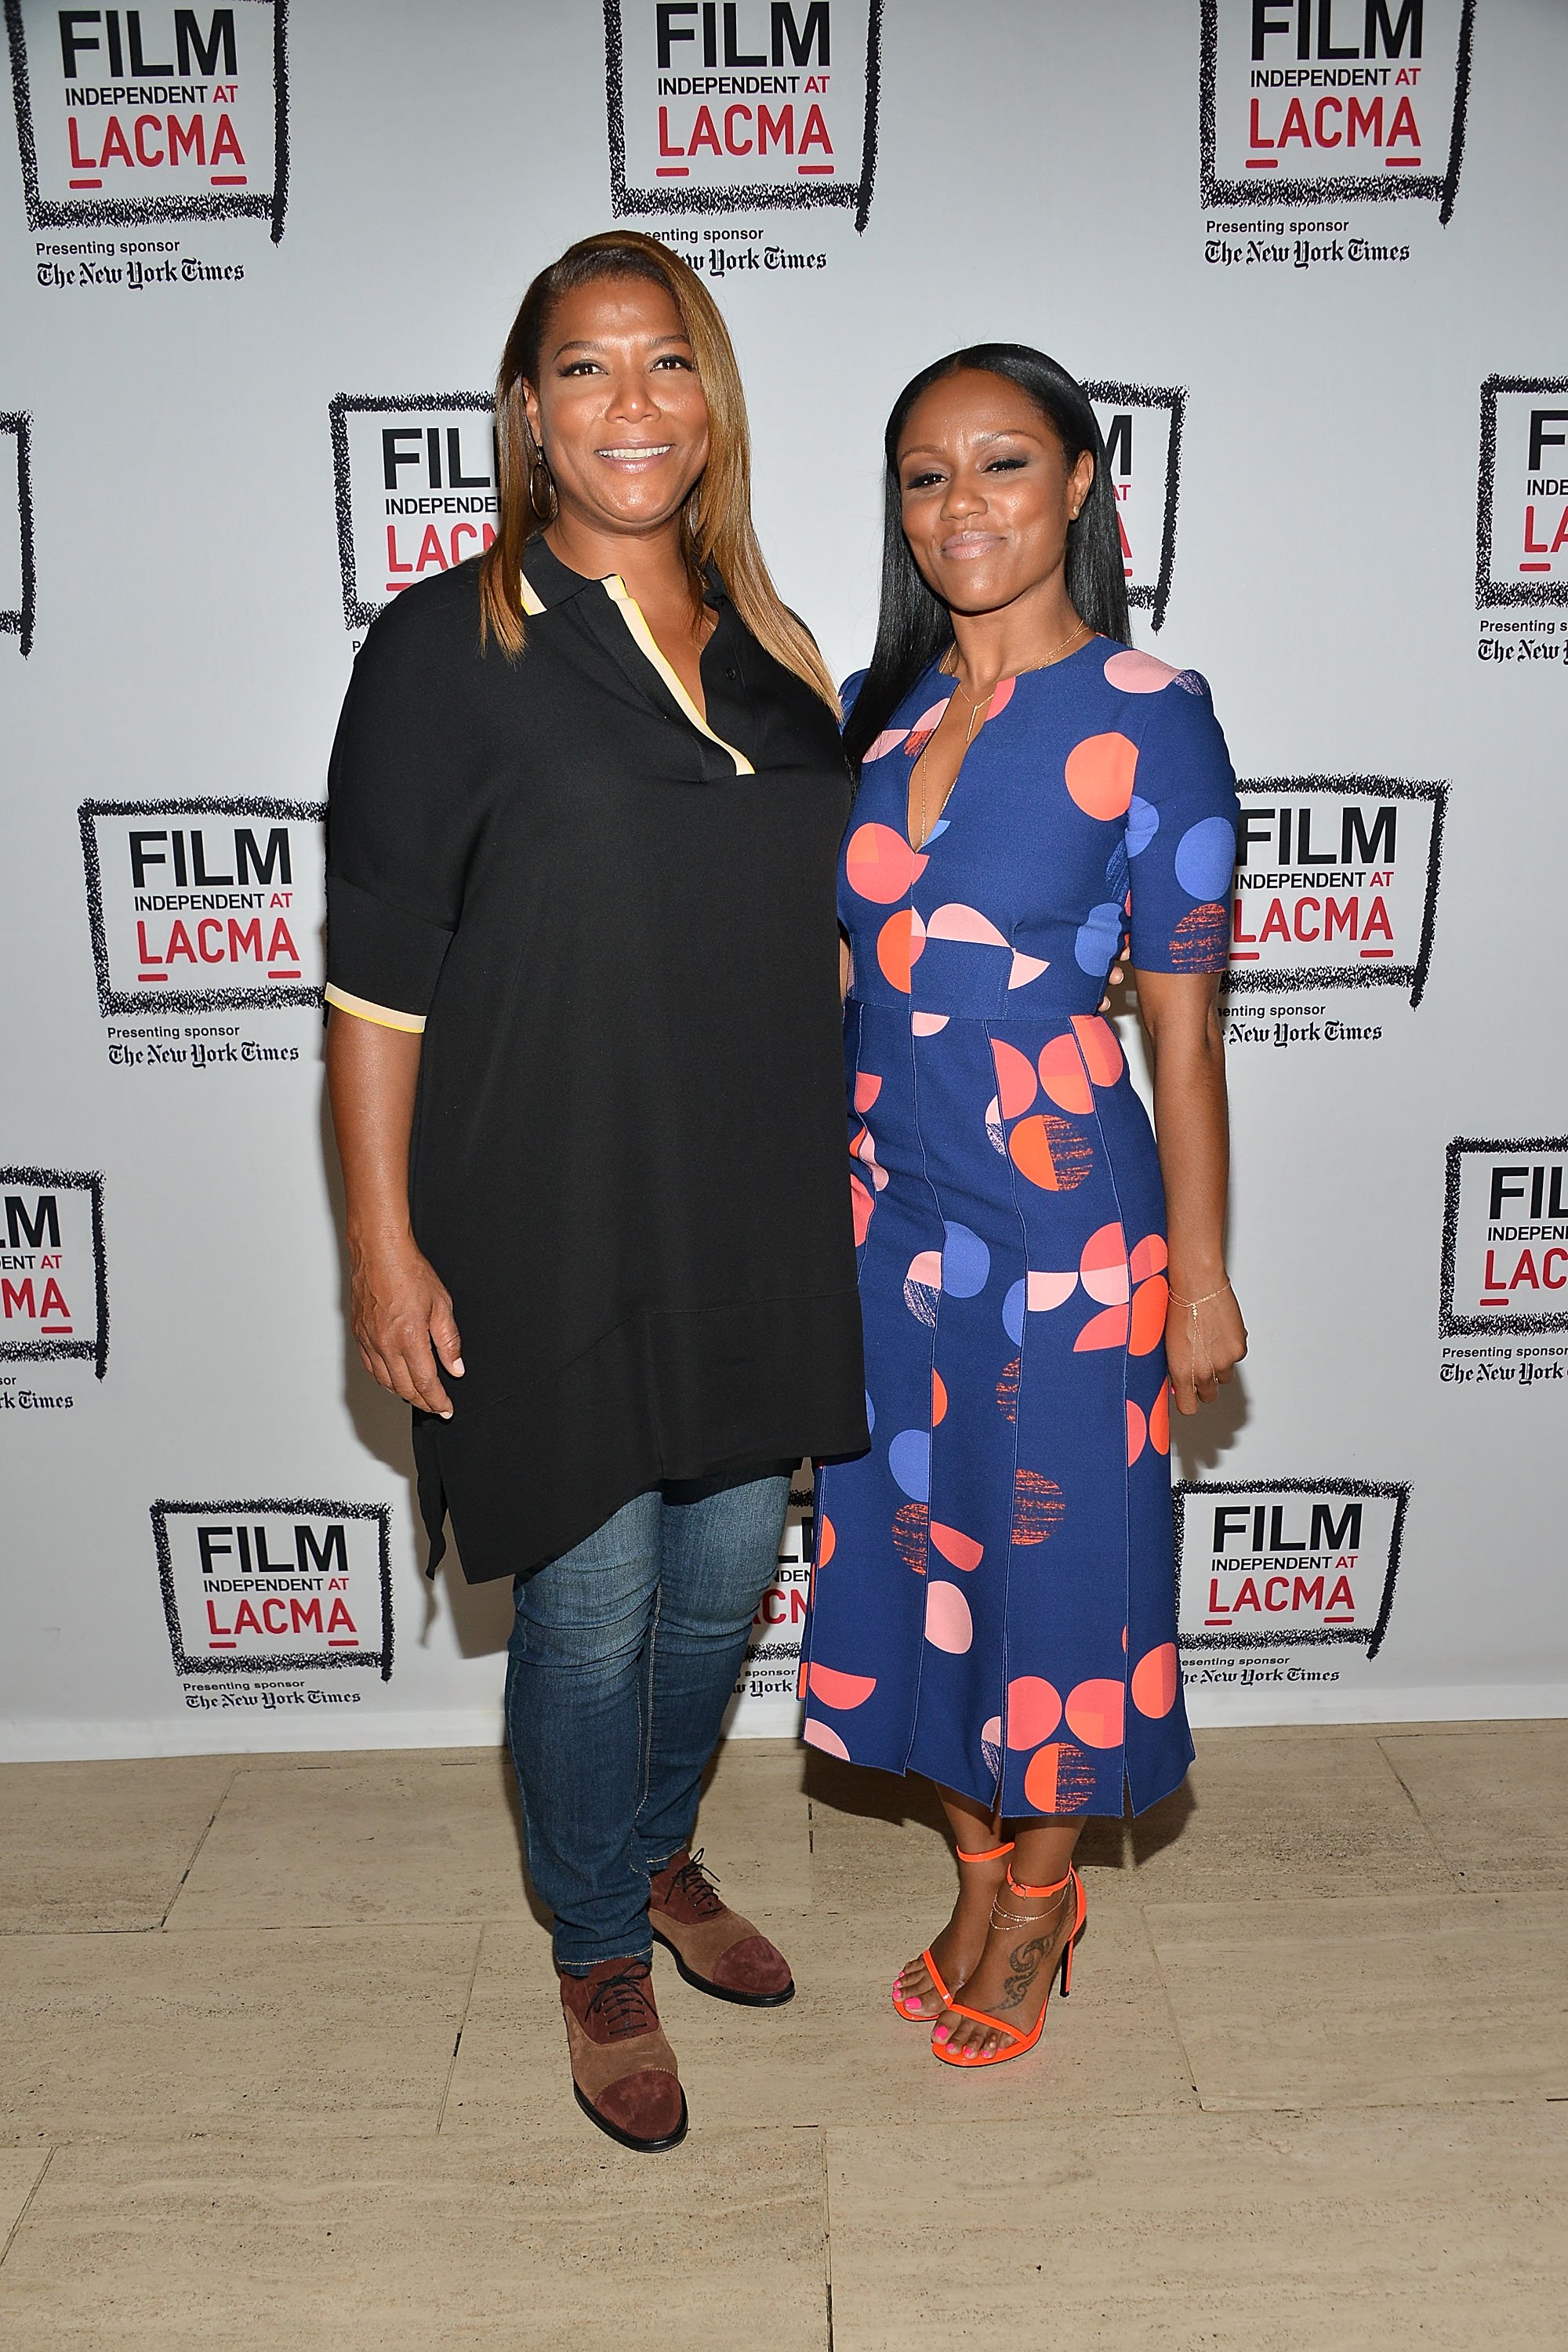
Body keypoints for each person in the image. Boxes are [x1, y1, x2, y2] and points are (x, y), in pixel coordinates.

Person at [323, 231, 867, 2151]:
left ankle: (651, 1854)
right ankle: (590, 1952)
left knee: (723, 1582)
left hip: (752, 1197)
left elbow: (829, 932)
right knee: (593, 1597)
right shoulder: (442, 644)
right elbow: (377, 980)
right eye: (584, 369)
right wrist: (380, 1249)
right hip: (543, 1194)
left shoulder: (778, 646)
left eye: (665, 364)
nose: (629, 402)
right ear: (530, 414)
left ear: (707, 402)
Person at [800, 344, 1247, 2067]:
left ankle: (1042, 1898)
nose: (961, 505)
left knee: (1056, 1573)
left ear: (1079, 484)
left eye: (1001, 465)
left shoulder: (1150, 712)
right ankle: (980, 1860)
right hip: (885, 1221)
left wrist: (1195, 1271)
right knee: (915, 1560)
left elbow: (1186, 1042)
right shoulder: (877, 710)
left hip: (1069, 1233)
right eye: (925, 474)